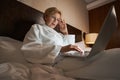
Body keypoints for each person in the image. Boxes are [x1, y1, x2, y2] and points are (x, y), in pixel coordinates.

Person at [21, 7, 120, 80]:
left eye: (58, 20)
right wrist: (60, 49)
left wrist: (65, 32)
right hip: (56, 61)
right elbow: (30, 48)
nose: (56, 21)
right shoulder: (37, 28)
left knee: (105, 54)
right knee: (111, 59)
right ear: (46, 17)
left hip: (69, 56)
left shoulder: (58, 34)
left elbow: (69, 47)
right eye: (53, 17)